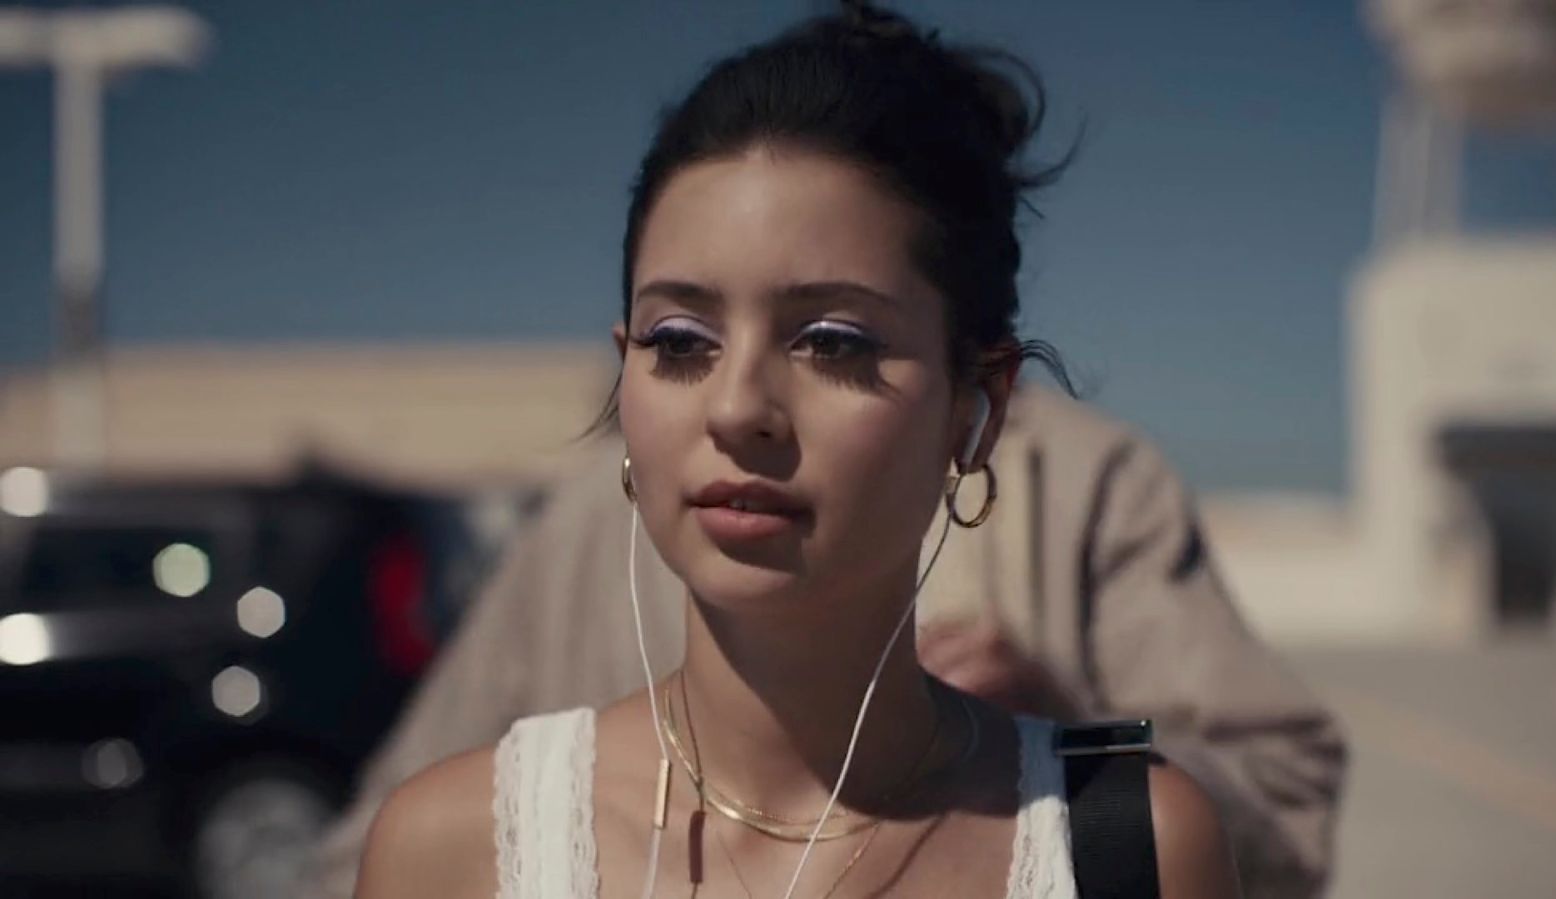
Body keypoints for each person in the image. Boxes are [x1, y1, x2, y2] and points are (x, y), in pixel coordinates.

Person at [346, 6, 1338, 897]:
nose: (738, 408)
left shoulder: (1135, 842)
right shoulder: (454, 849)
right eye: (679, 342)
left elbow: (1286, 802)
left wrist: (1067, 727)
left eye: (834, 341)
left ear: (977, 408)